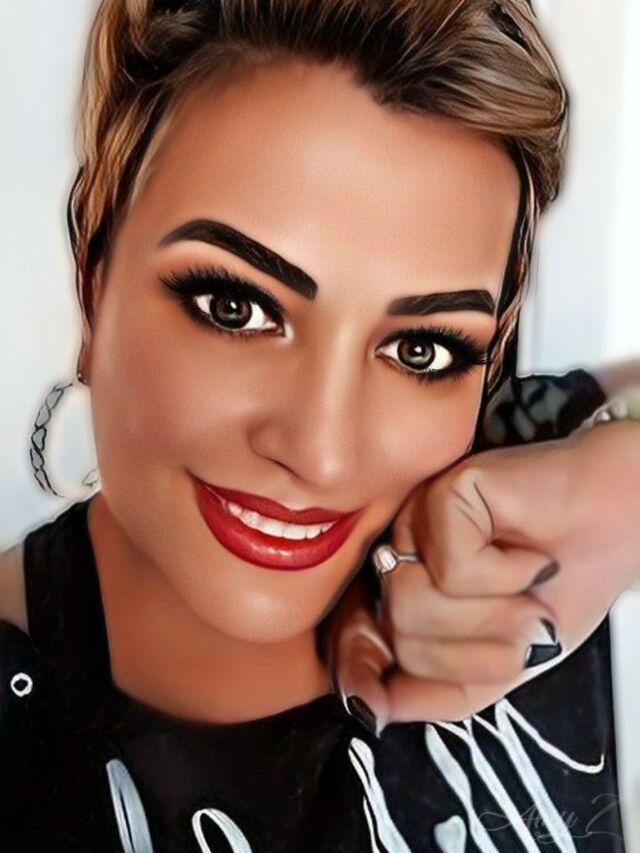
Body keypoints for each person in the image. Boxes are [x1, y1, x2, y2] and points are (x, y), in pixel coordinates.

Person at [0, 0, 638, 849]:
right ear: (94, 271)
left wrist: (624, 485)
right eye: (235, 307)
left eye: (420, 349)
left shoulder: (532, 517)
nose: (322, 451)